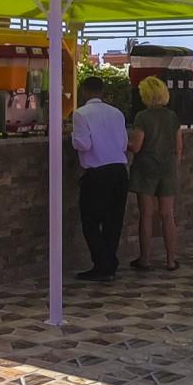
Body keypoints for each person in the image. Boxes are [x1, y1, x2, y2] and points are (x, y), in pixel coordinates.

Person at [70, 76, 130, 281]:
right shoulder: (117, 113)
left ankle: (102, 264)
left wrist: (71, 136)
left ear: (84, 92)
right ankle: (109, 264)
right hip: (119, 171)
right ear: (102, 92)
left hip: (97, 174)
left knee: (90, 221)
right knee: (113, 222)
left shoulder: (81, 114)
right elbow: (123, 144)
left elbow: (83, 144)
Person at [127, 76, 184, 270]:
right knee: (168, 214)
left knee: (147, 215)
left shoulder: (142, 117)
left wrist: (124, 143)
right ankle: (171, 260)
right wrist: (173, 165)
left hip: (146, 168)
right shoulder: (173, 117)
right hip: (167, 168)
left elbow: (136, 146)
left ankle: (145, 259)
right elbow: (179, 147)